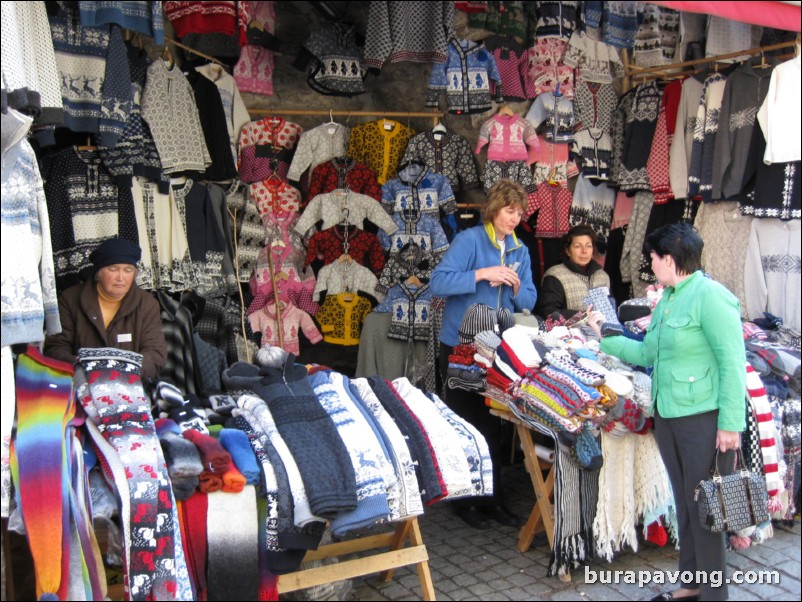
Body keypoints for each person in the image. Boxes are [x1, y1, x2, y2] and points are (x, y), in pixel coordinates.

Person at [587, 223, 745, 602]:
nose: (651, 265)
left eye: (653, 258)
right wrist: (604, 335)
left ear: (669, 260)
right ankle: (691, 587)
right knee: (687, 505)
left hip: (703, 420)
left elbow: (733, 363)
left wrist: (730, 425)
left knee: (706, 509)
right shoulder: (670, 298)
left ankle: (713, 596)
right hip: (671, 417)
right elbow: (646, 354)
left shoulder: (711, 297)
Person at [430, 179, 538, 529]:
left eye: (519, 212)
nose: (514, 218)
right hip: (462, 345)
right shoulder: (470, 240)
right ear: (494, 210)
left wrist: (518, 287)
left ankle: (492, 498)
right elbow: (439, 283)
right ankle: (464, 501)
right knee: (465, 422)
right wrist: (482, 274)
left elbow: (529, 302)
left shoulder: (520, 249)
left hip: (497, 347)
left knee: (494, 424)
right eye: (509, 211)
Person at [44, 238, 167, 382]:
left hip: (130, 385)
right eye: (113, 269)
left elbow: (155, 353)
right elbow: (56, 348)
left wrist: (124, 370)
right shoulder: (70, 300)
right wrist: (84, 367)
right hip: (81, 383)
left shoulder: (147, 304)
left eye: (128, 270)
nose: (120, 277)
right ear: (98, 273)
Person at [536, 224, 610, 319]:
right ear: (567, 250)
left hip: (601, 332)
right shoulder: (555, 275)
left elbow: (610, 310)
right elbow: (548, 312)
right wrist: (584, 316)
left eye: (588, 246)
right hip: (568, 332)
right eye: (578, 246)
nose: (584, 251)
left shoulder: (602, 276)